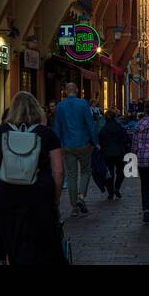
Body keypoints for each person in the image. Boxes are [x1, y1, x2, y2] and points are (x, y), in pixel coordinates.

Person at [0, 91, 67, 265]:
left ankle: (9, 258)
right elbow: (59, 171)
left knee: (9, 231)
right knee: (43, 233)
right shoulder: (47, 134)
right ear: (37, 110)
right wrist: (55, 198)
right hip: (39, 192)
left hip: (6, 191)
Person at [53, 82, 98, 216]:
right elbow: (90, 124)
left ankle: (74, 208)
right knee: (86, 171)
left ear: (65, 91)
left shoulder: (60, 106)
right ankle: (81, 196)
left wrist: (57, 146)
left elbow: (57, 127)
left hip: (67, 145)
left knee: (72, 175)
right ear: (77, 90)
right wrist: (95, 142)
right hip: (83, 143)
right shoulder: (83, 104)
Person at [98, 110, 130, 200]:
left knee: (109, 173)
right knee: (120, 171)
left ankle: (110, 192)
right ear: (115, 117)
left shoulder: (103, 129)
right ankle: (117, 187)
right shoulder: (119, 128)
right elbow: (126, 139)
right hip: (119, 152)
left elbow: (100, 141)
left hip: (107, 153)